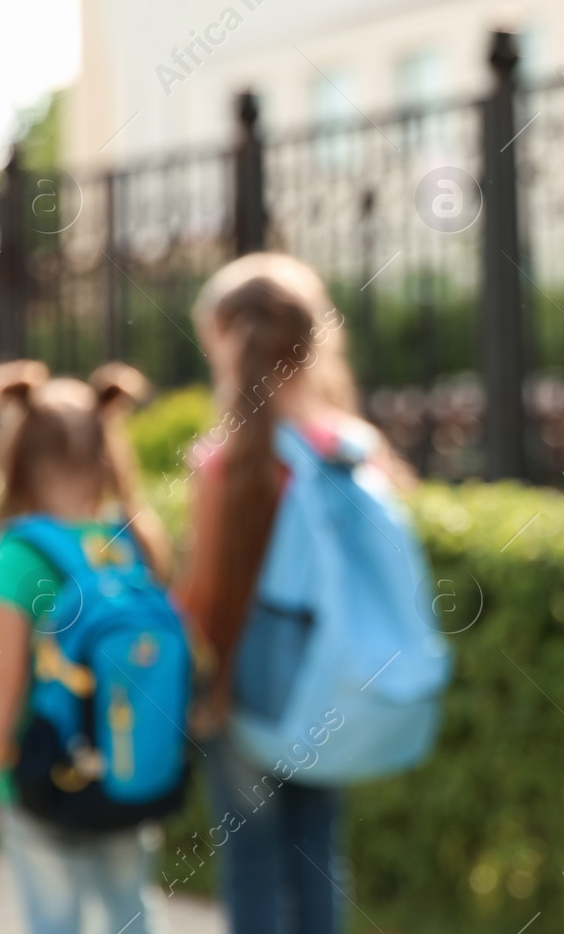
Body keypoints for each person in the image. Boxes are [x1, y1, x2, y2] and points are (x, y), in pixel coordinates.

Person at [175, 252, 418, 934]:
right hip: (332, 685)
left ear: (225, 342)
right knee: (317, 856)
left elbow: (205, 591)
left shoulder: (226, 461)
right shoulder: (352, 445)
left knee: (250, 862)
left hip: (245, 696)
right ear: (317, 340)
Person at [0, 359, 172, 934]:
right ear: (105, 450)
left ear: (15, 458)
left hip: (39, 775)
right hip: (129, 766)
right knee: (132, 911)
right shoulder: (130, 540)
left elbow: (4, 684)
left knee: (55, 920)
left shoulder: (16, 555)